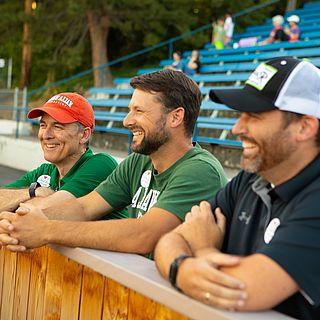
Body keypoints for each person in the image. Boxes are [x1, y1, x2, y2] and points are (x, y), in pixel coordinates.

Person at [155, 57, 320, 320]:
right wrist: (182, 268)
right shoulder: (250, 180)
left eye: (253, 116)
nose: (236, 128)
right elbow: (169, 240)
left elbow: (244, 290)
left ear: (304, 126)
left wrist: (204, 250)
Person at [0, 70, 227, 256]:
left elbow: (143, 235)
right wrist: (17, 225)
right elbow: (84, 208)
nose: (127, 121)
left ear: (176, 117)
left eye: (138, 111)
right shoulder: (139, 162)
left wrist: (46, 229)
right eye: (129, 110)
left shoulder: (200, 170)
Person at [0, 92, 125, 219]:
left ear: (84, 135)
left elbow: (44, 214)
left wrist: (13, 204)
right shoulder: (45, 171)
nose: (46, 135)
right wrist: (33, 192)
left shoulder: (101, 164)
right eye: (43, 125)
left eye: (57, 126)